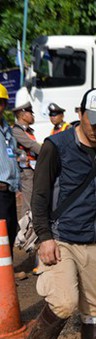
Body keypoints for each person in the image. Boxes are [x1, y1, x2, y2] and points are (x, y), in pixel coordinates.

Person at [17, 88, 96, 339]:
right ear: (80, 113)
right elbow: (39, 196)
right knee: (63, 303)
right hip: (60, 239)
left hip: (95, 242)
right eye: (94, 121)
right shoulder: (56, 146)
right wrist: (45, 238)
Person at [0, 84, 21, 259]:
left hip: (9, 189)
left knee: (10, 229)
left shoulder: (6, 128)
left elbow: (12, 152)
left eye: (1, 102)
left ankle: (6, 270)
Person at [12, 101, 41, 218]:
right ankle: (24, 232)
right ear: (23, 115)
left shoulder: (27, 130)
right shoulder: (17, 131)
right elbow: (32, 145)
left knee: (34, 201)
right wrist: (50, 153)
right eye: (30, 113)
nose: (33, 116)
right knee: (28, 204)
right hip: (26, 170)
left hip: (33, 169)